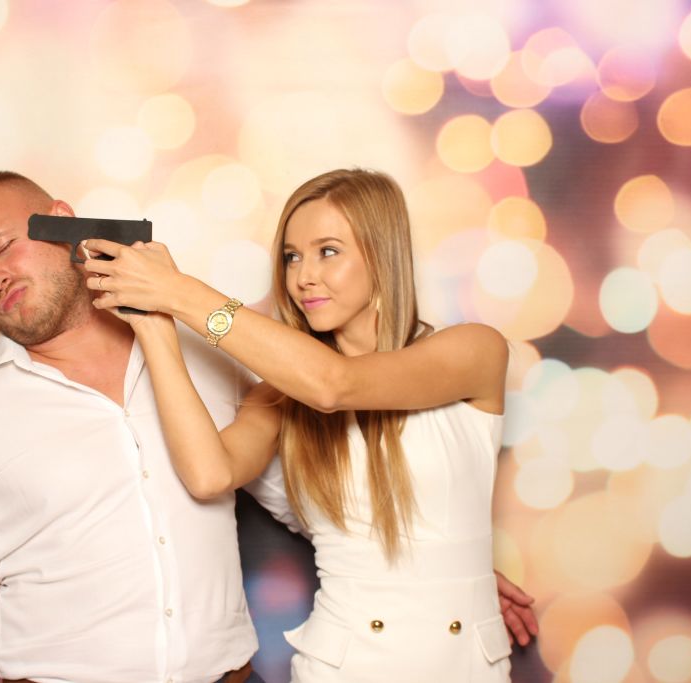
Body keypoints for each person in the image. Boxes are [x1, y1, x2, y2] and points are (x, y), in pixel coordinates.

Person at [0, 171, 536, 683]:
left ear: (63, 222)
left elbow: (287, 483)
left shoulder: (216, 361)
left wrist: (429, 561)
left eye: (3, 246)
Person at [83, 167, 531, 681]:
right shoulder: (281, 393)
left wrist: (179, 292)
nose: (303, 277)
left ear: (381, 253)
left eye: (328, 251)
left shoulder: (475, 350)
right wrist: (156, 326)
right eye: (292, 256)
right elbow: (209, 474)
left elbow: (335, 386)